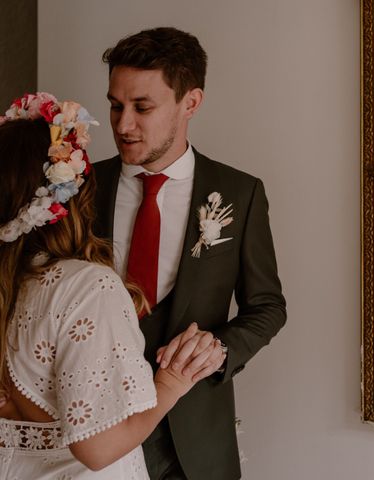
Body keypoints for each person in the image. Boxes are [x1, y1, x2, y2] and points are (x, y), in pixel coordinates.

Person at [94, 27, 287, 479]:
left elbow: (268, 307)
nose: (122, 125)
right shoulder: (79, 188)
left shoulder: (241, 193)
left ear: (191, 103)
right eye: (116, 105)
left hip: (195, 441)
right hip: (96, 431)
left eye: (142, 107)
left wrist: (220, 348)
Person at [0, 92, 221, 478]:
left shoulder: (11, 284)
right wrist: (170, 383)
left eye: (143, 105)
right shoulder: (86, 287)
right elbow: (98, 449)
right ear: (71, 193)